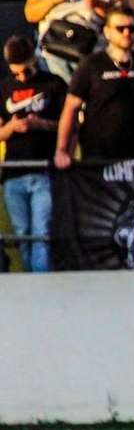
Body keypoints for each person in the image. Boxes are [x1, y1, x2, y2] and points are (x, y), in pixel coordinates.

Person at [55, 7, 134, 169]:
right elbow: (71, 108)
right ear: (107, 32)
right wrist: (62, 150)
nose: (127, 33)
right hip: (100, 157)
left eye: (131, 28)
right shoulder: (91, 64)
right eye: (120, 29)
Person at [0, 36, 66, 273]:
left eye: (26, 71)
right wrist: (10, 129)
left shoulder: (54, 84)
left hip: (43, 170)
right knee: (22, 233)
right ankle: (28, 280)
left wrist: (41, 124)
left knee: (41, 233)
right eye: (16, 73)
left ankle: (40, 282)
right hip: (13, 172)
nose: (22, 78)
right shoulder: (4, 88)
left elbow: (67, 125)